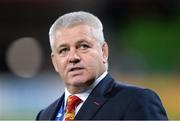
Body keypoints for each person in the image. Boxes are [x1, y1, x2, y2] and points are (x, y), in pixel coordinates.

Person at [36, 11, 168, 120]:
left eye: (83, 46)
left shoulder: (137, 102)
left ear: (103, 52)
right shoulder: (45, 116)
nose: (73, 57)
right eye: (63, 50)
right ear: (55, 62)